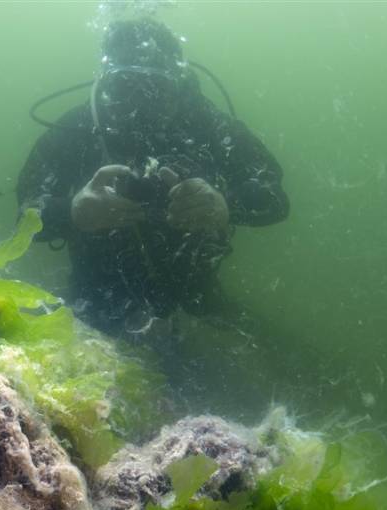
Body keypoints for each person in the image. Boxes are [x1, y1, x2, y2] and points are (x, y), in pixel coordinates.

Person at [17, 18, 289, 336]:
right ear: (105, 84)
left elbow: (275, 198)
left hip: (196, 297)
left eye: (155, 88)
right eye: (124, 86)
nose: (139, 103)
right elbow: (26, 215)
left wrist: (226, 204)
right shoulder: (78, 129)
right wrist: (72, 211)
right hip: (95, 300)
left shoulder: (209, 125)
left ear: (178, 83)